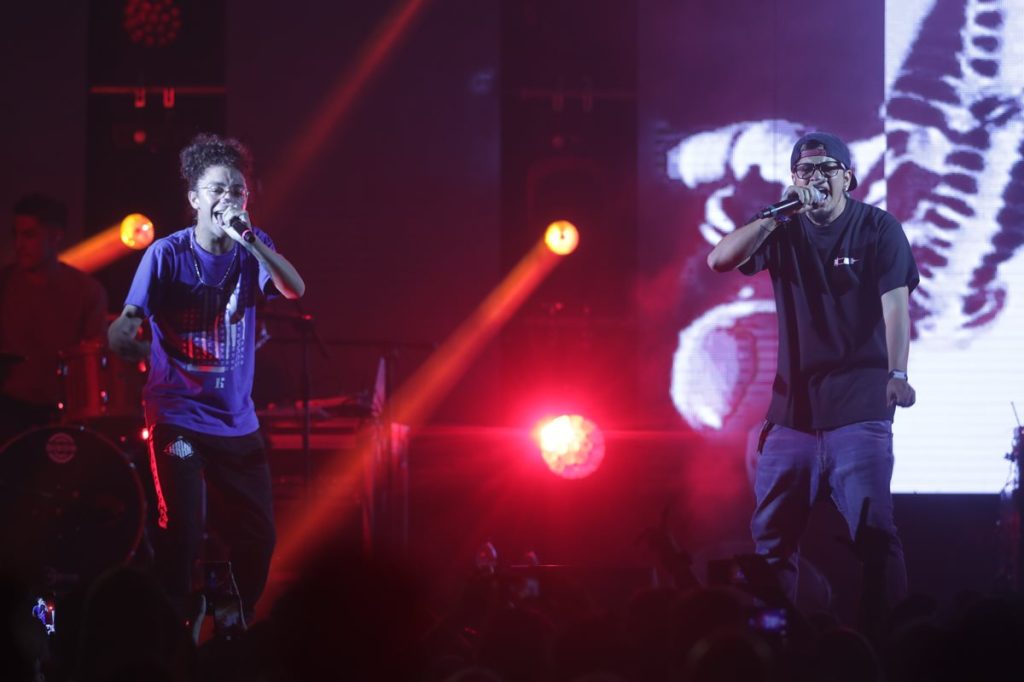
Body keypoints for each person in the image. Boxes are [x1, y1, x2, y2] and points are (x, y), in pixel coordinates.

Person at [706, 131, 918, 609]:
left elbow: (896, 308)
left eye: (826, 169)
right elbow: (719, 259)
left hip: (859, 410)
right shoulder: (782, 227)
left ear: (849, 178)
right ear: (794, 178)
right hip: (792, 417)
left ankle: (890, 639)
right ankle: (774, 638)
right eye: (805, 170)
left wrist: (898, 374)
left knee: (875, 536)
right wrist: (775, 215)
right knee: (772, 542)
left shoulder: (877, 228)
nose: (816, 178)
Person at [108, 133, 305, 627]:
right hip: (178, 419)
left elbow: (294, 289)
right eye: (217, 189)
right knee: (183, 528)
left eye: (237, 191)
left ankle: (231, 614)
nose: (228, 198)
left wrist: (250, 240)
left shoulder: (253, 248)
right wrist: (125, 334)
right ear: (195, 198)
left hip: (236, 423)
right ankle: (175, 621)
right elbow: (128, 318)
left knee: (258, 536)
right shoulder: (167, 254)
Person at [0, 194, 108, 442]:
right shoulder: (4, 284)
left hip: (62, 415)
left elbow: (93, 359)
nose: (19, 245)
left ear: (56, 236)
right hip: (7, 409)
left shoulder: (87, 291)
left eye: (29, 235)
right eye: (16, 235)